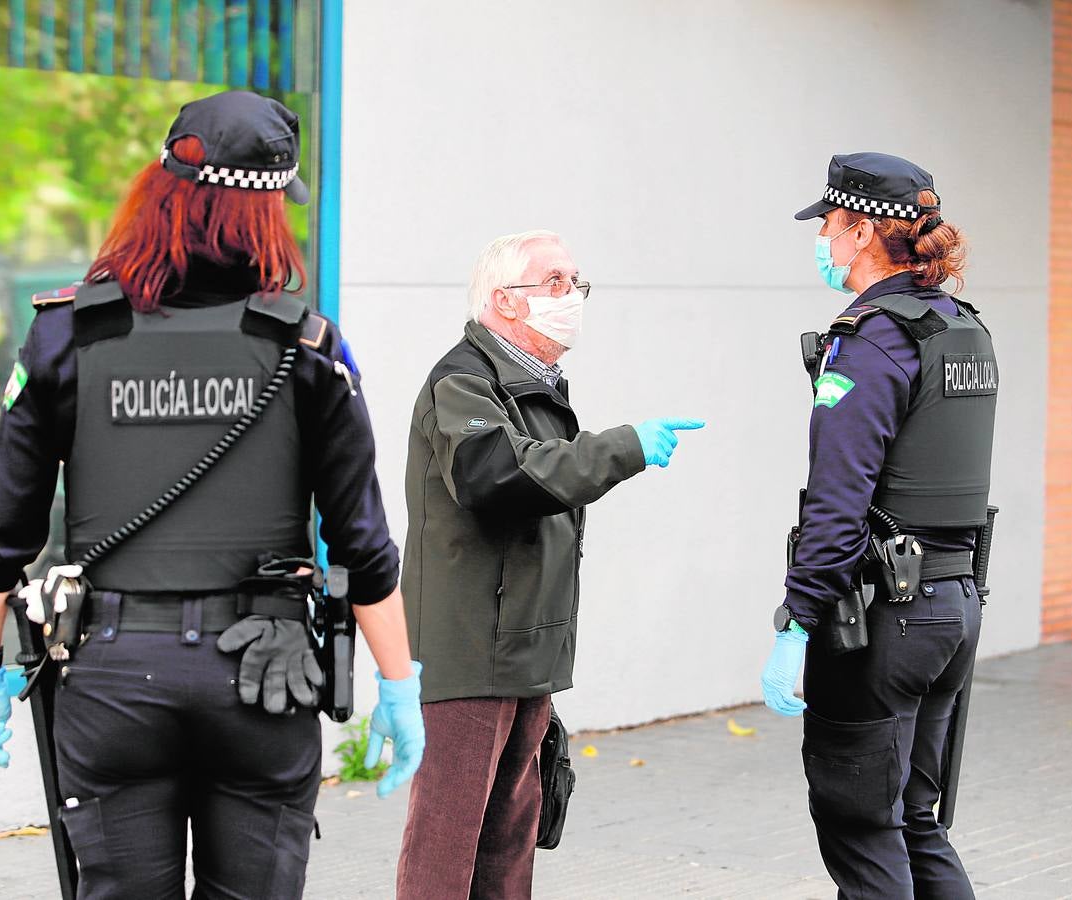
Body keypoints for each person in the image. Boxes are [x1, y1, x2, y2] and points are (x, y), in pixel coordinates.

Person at [0, 90, 425, 899]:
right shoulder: (307, 347)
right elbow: (363, 543)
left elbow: (4, 530)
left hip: (111, 679)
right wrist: (399, 681)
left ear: (158, 189)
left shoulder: (67, 334)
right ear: (269, 211)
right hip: (260, 678)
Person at [397, 230, 704, 899]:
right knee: (446, 848)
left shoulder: (536, 386)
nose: (574, 295)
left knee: (508, 845)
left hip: (524, 652)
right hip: (469, 653)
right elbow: (495, 475)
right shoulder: (464, 382)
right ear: (506, 301)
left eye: (577, 283)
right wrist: (621, 448)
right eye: (557, 282)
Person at [761, 152, 997, 898]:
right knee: (916, 822)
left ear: (861, 232)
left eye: (829, 225)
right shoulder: (963, 330)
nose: (823, 241)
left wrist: (797, 624)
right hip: (953, 608)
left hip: (879, 622)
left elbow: (837, 505)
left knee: (863, 828)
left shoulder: (869, 340)